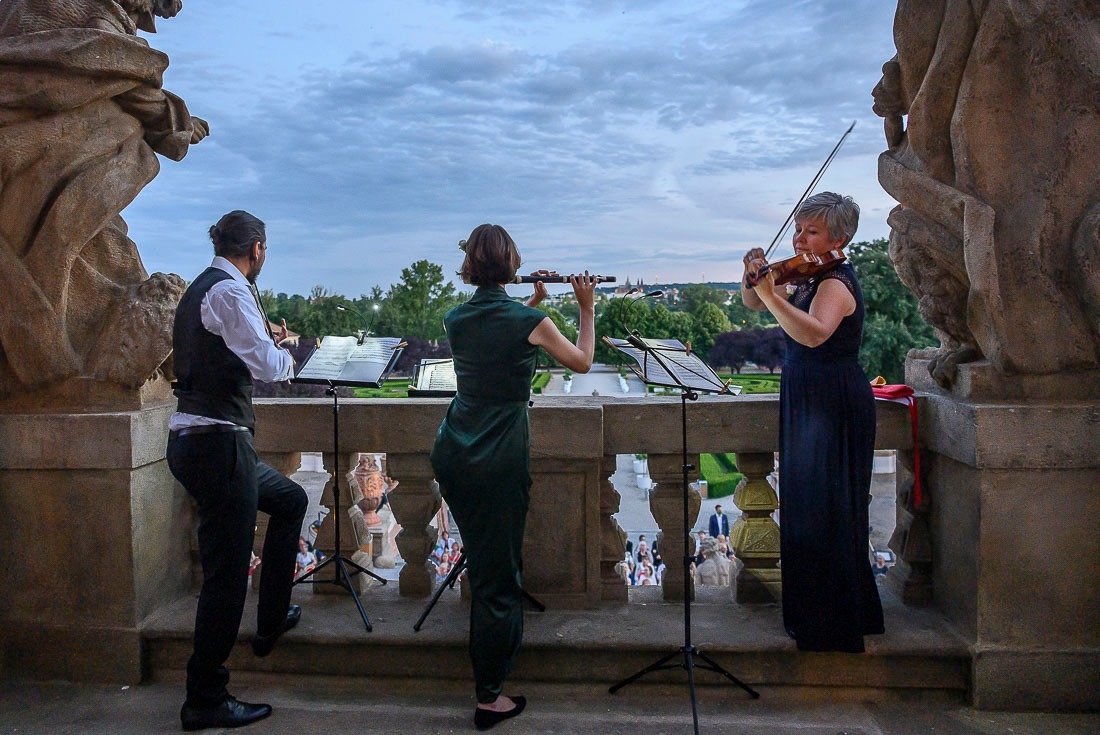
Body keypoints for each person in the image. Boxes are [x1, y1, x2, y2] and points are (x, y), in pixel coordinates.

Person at [429, 224, 596, 731]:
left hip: (454, 448)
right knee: (498, 579)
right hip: (498, 454)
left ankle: (490, 676)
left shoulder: (455, 317)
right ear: (512, 264)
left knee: (486, 563)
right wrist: (586, 307)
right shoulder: (532, 321)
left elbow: (493, 332)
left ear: (470, 267)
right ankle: (489, 697)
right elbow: (582, 362)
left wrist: (534, 303)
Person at [166, 210, 308, 730]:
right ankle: (204, 698)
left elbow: (221, 342)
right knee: (225, 579)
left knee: (290, 500)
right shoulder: (230, 292)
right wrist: (285, 351)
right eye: (264, 250)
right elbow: (268, 368)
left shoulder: (205, 288)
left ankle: (272, 617)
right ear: (257, 249)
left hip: (200, 441)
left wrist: (263, 334)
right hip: (218, 446)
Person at [741, 192, 884, 653]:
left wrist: (770, 295)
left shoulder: (835, 283)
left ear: (838, 239)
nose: (799, 239)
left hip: (832, 402)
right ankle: (821, 616)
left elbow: (815, 334)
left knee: (827, 510)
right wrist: (753, 277)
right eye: (799, 229)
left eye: (812, 231)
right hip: (809, 397)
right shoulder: (809, 275)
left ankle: (832, 626)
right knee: (807, 507)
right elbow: (754, 303)